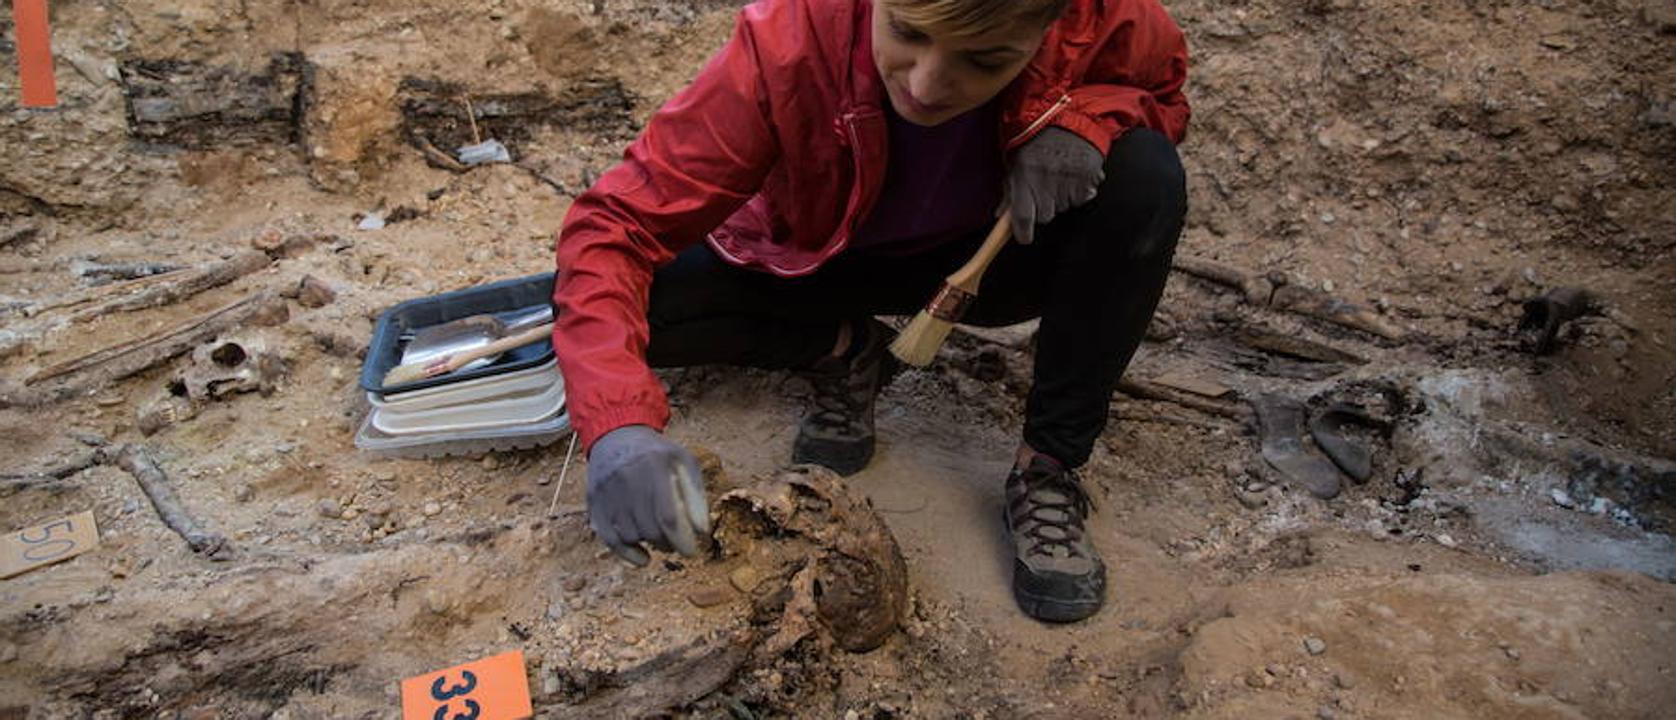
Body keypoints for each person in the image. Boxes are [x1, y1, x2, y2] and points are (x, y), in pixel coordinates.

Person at [553, 0, 1189, 622]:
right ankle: (845, 350)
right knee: (649, 305)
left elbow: (1162, 91)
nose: (926, 86)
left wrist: (1084, 119)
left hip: (994, 262)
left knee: (1145, 179)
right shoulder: (791, 41)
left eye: (985, 58)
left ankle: (1048, 467)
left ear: (1050, 22)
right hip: (824, 257)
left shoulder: (1103, 14)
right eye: (908, 32)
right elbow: (618, 225)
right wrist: (618, 428)